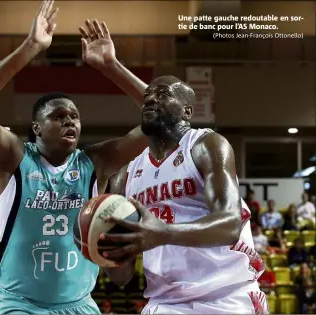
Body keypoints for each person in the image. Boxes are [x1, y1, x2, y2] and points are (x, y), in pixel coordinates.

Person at [0, 2, 148, 314]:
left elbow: (164, 121)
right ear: (36, 127)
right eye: (59, 116)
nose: (70, 121)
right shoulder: (13, 157)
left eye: (74, 116)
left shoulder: (95, 161)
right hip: (20, 305)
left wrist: (112, 66)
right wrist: (30, 47)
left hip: (79, 305)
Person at [101, 75, 269, 314]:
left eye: (162, 94)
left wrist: (164, 233)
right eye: (147, 95)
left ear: (187, 111)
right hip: (164, 303)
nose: (149, 99)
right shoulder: (125, 174)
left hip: (226, 297)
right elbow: (121, 277)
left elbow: (230, 224)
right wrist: (105, 248)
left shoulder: (206, 145)